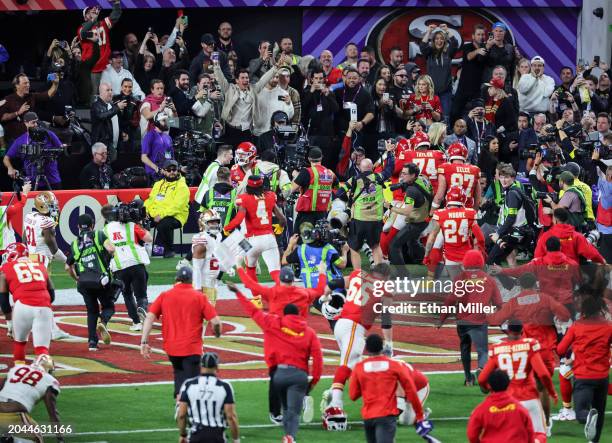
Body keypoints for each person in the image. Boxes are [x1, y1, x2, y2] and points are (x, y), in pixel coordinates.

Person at [229, 282, 323, 443]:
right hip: (299, 375)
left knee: (286, 409)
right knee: (294, 412)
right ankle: (290, 436)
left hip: (279, 374)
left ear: (284, 315)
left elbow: (252, 311)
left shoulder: (274, 323)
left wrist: (238, 292)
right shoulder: (309, 332)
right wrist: (313, 382)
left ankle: (286, 431)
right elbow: (318, 360)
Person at [487, 273, 570, 428]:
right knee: (542, 388)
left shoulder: (515, 302)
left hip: (525, 350)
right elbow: (565, 315)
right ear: (535, 284)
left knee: (521, 386)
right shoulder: (545, 298)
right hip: (545, 351)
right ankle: (545, 422)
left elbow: (496, 320)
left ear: (521, 285)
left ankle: (521, 421)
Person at [321, 264, 393, 429]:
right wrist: (389, 344)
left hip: (341, 325)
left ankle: (377, 403)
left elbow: (337, 282)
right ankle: (334, 404)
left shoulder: (358, 274)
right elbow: (386, 322)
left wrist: (327, 290)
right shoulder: (385, 289)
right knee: (346, 366)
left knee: (357, 369)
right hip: (354, 327)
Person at [141, 267, 222, 399]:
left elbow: (149, 317)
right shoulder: (199, 297)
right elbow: (216, 322)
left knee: (179, 374)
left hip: (171, 348)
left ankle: (180, 401)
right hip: (192, 348)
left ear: (177, 279)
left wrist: (144, 342)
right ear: (191, 280)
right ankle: (184, 408)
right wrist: (217, 333)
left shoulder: (165, 295)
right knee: (192, 384)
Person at [478, 320, 558, 442]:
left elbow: (482, 378)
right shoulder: (530, 345)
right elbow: (543, 374)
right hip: (529, 398)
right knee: (540, 435)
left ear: (507, 330)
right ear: (522, 330)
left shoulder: (497, 349)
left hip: (507, 401)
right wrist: (552, 392)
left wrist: (487, 388)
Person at [350, 334, 433, 443]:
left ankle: (423, 413)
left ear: (366, 349)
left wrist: (419, 415)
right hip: (385, 413)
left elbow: (353, 395)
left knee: (406, 421)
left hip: (419, 387)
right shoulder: (393, 365)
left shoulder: (360, 367)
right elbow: (409, 389)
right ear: (382, 347)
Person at [436, 250, 502, 386]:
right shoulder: (489, 280)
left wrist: (441, 320)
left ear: (465, 263)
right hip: (479, 319)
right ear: (481, 262)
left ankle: (468, 378)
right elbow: (498, 303)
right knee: (482, 349)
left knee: (464, 347)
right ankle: (481, 368)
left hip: (462, 320)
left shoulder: (460, 278)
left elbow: (450, 300)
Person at [557, 290, 611, 443]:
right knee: (598, 414)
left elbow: (561, 349)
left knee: (582, 413)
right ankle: (594, 441)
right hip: (602, 377)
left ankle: (586, 417)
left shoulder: (576, 326)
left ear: (584, 310)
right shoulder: (608, 326)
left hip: (583, 376)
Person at [338, 142, 395, 269]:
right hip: (376, 219)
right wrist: (390, 153)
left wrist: (350, 201)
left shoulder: (353, 180)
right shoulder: (379, 177)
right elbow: (390, 169)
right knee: (375, 246)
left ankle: (357, 275)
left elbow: (339, 192)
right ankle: (380, 274)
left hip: (359, 219)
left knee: (354, 248)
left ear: (362, 168)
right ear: (371, 168)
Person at [65, 213, 115, 351]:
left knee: (91, 311)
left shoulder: (74, 244)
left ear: (78, 227)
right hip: (100, 280)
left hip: (83, 283)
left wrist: (76, 278)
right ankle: (103, 321)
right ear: (93, 225)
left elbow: (67, 266)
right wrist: (109, 257)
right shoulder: (99, 235)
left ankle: (92, 343)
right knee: (109, 306)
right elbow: (111, 248)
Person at [223, 175, 286, 283]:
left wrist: (226, 228)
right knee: (276, 272)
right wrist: (280, 226)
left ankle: (256, 298)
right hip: (269, 238)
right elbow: (282, 219)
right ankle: (283, 296)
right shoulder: (271, 196)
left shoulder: (244, 198)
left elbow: (238, 220)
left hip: (252, 239)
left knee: (250, 269)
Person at [0, 243, 55, 362]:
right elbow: (52, 295)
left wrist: (9, 323)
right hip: (44, 306)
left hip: (22, 306)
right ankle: (45, 365)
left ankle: (19, 373)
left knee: (19, 343)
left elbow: (3, 301)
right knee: (42, 349)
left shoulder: (5, 269)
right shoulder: (40, 265)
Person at [101, 202, 152, 331]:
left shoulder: (105, 231)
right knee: (141, 295)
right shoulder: (131, 225)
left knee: (127, 295)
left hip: (119, 267)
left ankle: (136, 322)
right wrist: (141, 225)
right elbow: (148, 238)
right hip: (136, 262)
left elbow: (105, 250)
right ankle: (142, 307)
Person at [214, 54, 280, 147]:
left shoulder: (254, 89)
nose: (246, 80)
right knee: (231, 157)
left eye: (247, 78)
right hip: (231, 130)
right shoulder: (229, 89)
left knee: (247, 157)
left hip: (246, 132)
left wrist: (275, 67)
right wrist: (216, 65)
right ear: (237, 80)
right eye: (243, 78)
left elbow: (263, 80)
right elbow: (220, 78)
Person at [176, 352, 240, 443]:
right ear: (217, 367)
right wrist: (236, 439)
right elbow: (231, 417)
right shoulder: (225, 386)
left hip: (196, 435)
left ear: (200, 366)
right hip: (217, 437)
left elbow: (181, 415)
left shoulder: (189, 385)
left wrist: (183, 435)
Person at [425, 186, 485, 279]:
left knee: (457, 286)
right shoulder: (470, 213)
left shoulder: (440, 214)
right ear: (463, 198)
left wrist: (426, 255)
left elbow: (432, 238)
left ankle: (430, 278)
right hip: (467, 256)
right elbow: (480, 238)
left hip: (450, 258)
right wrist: (481, 252)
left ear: (447, 198)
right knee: (474, 286)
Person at [0, 355, 63, 443]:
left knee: (8, 433)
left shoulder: (16, 368)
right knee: (39, 440)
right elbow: (53, 415)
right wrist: (60, 439)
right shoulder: (50, 380)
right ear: (48, 369)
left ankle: (8, 438)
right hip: (15, 414)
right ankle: (9, 439)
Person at [467, 369, 535, 443]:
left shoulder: (481, 410)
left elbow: (472, 435)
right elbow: (530, 433)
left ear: (489, 385)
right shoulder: (520, 409)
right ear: (508, 384)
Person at [487, 164, 534, 265]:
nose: (504, 180)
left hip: (511, 233)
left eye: (507, 177)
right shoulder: (513, 190)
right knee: (506, 259)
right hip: (515, 232)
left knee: (491, 262)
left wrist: (498, 233)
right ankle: (515, 280)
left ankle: (513, 280)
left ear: (513, 178)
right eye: (502, 177)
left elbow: (511, 218)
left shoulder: (512, 193)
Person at [3, 112, 64, 189]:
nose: (36, 125)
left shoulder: (49, 134)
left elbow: (61, 148)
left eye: (37, 122)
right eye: (33, 122)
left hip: (52, 179)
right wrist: (10, 168)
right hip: (32, 181)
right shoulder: (20, 140)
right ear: (26, 123)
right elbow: (6, 158)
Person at [387, 163, 432, 266]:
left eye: (404, 174)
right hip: (426, 217)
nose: (401, 176)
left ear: (413, 175)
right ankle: (429, 261)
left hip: (417, 222)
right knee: (413, 242)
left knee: (394, 245)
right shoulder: (422, 178)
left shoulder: (411, 191)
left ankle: (402, 275)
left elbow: (406, 211)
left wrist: (390, 207)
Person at [143, 159, 190, 258]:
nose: (172, 172)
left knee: (163, 224)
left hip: (176, 216)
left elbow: (177, 207)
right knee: (138, 219)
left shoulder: (182, 186)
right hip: (157, 214)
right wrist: (146, 211)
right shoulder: (158, 184)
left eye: (174, 169)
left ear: (178, 170)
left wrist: (161, 215)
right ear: (163, 171)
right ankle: (140, 250)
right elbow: (150, 200)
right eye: (169, 170)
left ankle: (169, 250)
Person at [77, 1, 122, 98]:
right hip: (93, 68)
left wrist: (117, 3)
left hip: (107, 66)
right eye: (89, 12)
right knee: (95, 96)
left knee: (111, 93)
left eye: (93, 11)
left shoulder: (103, 24)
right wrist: (93, 20)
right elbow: (84, 34)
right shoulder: (81, 29)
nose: (92, 13)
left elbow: (115, 16)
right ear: (85, 17)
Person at [291, 147, 338, 232]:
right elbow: (336, 188)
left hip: (307, 215)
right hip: (323, 215)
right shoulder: (330, 173)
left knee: (300, 240)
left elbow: (291, 189)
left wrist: (296, 175)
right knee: (319, 241)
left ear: (309, 159)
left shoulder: (307, 172)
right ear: (322, 157)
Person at [0, 73, 58, 143]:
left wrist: (55, 84)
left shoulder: (31, 96)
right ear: (17, 85)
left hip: (31, 137)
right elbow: (2, 117)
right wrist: (17, 113)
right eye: (25, 83)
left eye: (28, 83)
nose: (28, 85)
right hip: (15, 139)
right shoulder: (8, 99)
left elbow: (47, 95)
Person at [534, 208, 605, 263]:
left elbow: (538, 256)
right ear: (567, 220)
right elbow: (591, 253)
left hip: (550, 275)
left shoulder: (545, 236)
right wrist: (601, 261)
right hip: (571, 274)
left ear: (555, 220)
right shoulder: (577, 236)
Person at [419, 24, 459, 121]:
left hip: (446, 92)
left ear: (444, 41)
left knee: (445, 117)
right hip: (431, 92)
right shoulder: (429, 53)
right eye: (436, 38)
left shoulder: (448, 53)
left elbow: (455, 43)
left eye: (441, 39)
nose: (439, 41)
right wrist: (429, 32)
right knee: (431, 117)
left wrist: (447, 30)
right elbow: (423, 46)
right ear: (433, 41)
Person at [451, 24, 487, 125]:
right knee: (455, 112)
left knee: (477, 115)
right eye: (478, 34)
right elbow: (469, 56)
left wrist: (484, 48)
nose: (481, 36)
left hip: (477, 89)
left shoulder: (486, 48)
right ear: (473, 36)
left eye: (482, 34)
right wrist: (478, 51)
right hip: (463, 87)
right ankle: (452, 133)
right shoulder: (467, 46)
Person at [191, 210, 223, 304]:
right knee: (202, 314)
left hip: (212, 282)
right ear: (203, 223)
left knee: (210, 312)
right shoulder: (201, 239)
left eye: (216, 222)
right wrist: (197, 288)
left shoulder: (218, 236)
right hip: (203, 283)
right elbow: (196, 268)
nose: (215, 225)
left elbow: (215, 256)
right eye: (211, 222)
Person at [91, 82, 125, 162]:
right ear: (101, 92)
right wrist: (117, 108)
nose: (110, 92)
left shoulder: (111, 105)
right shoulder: (96, 105)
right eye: (107, 90)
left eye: (111, 90)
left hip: (112, 144)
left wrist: (121, 133)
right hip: (101, 144)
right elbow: (102, 116)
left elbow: (114, 124)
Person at [141, 111, 174, 183]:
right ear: (156, 122)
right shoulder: (149, 136)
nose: (166, 122)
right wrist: (157, 169)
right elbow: (143, 157)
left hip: (166, 176)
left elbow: (169, 157)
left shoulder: (168, 138)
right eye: (163, 120)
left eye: (167, 120)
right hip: (152, 176)